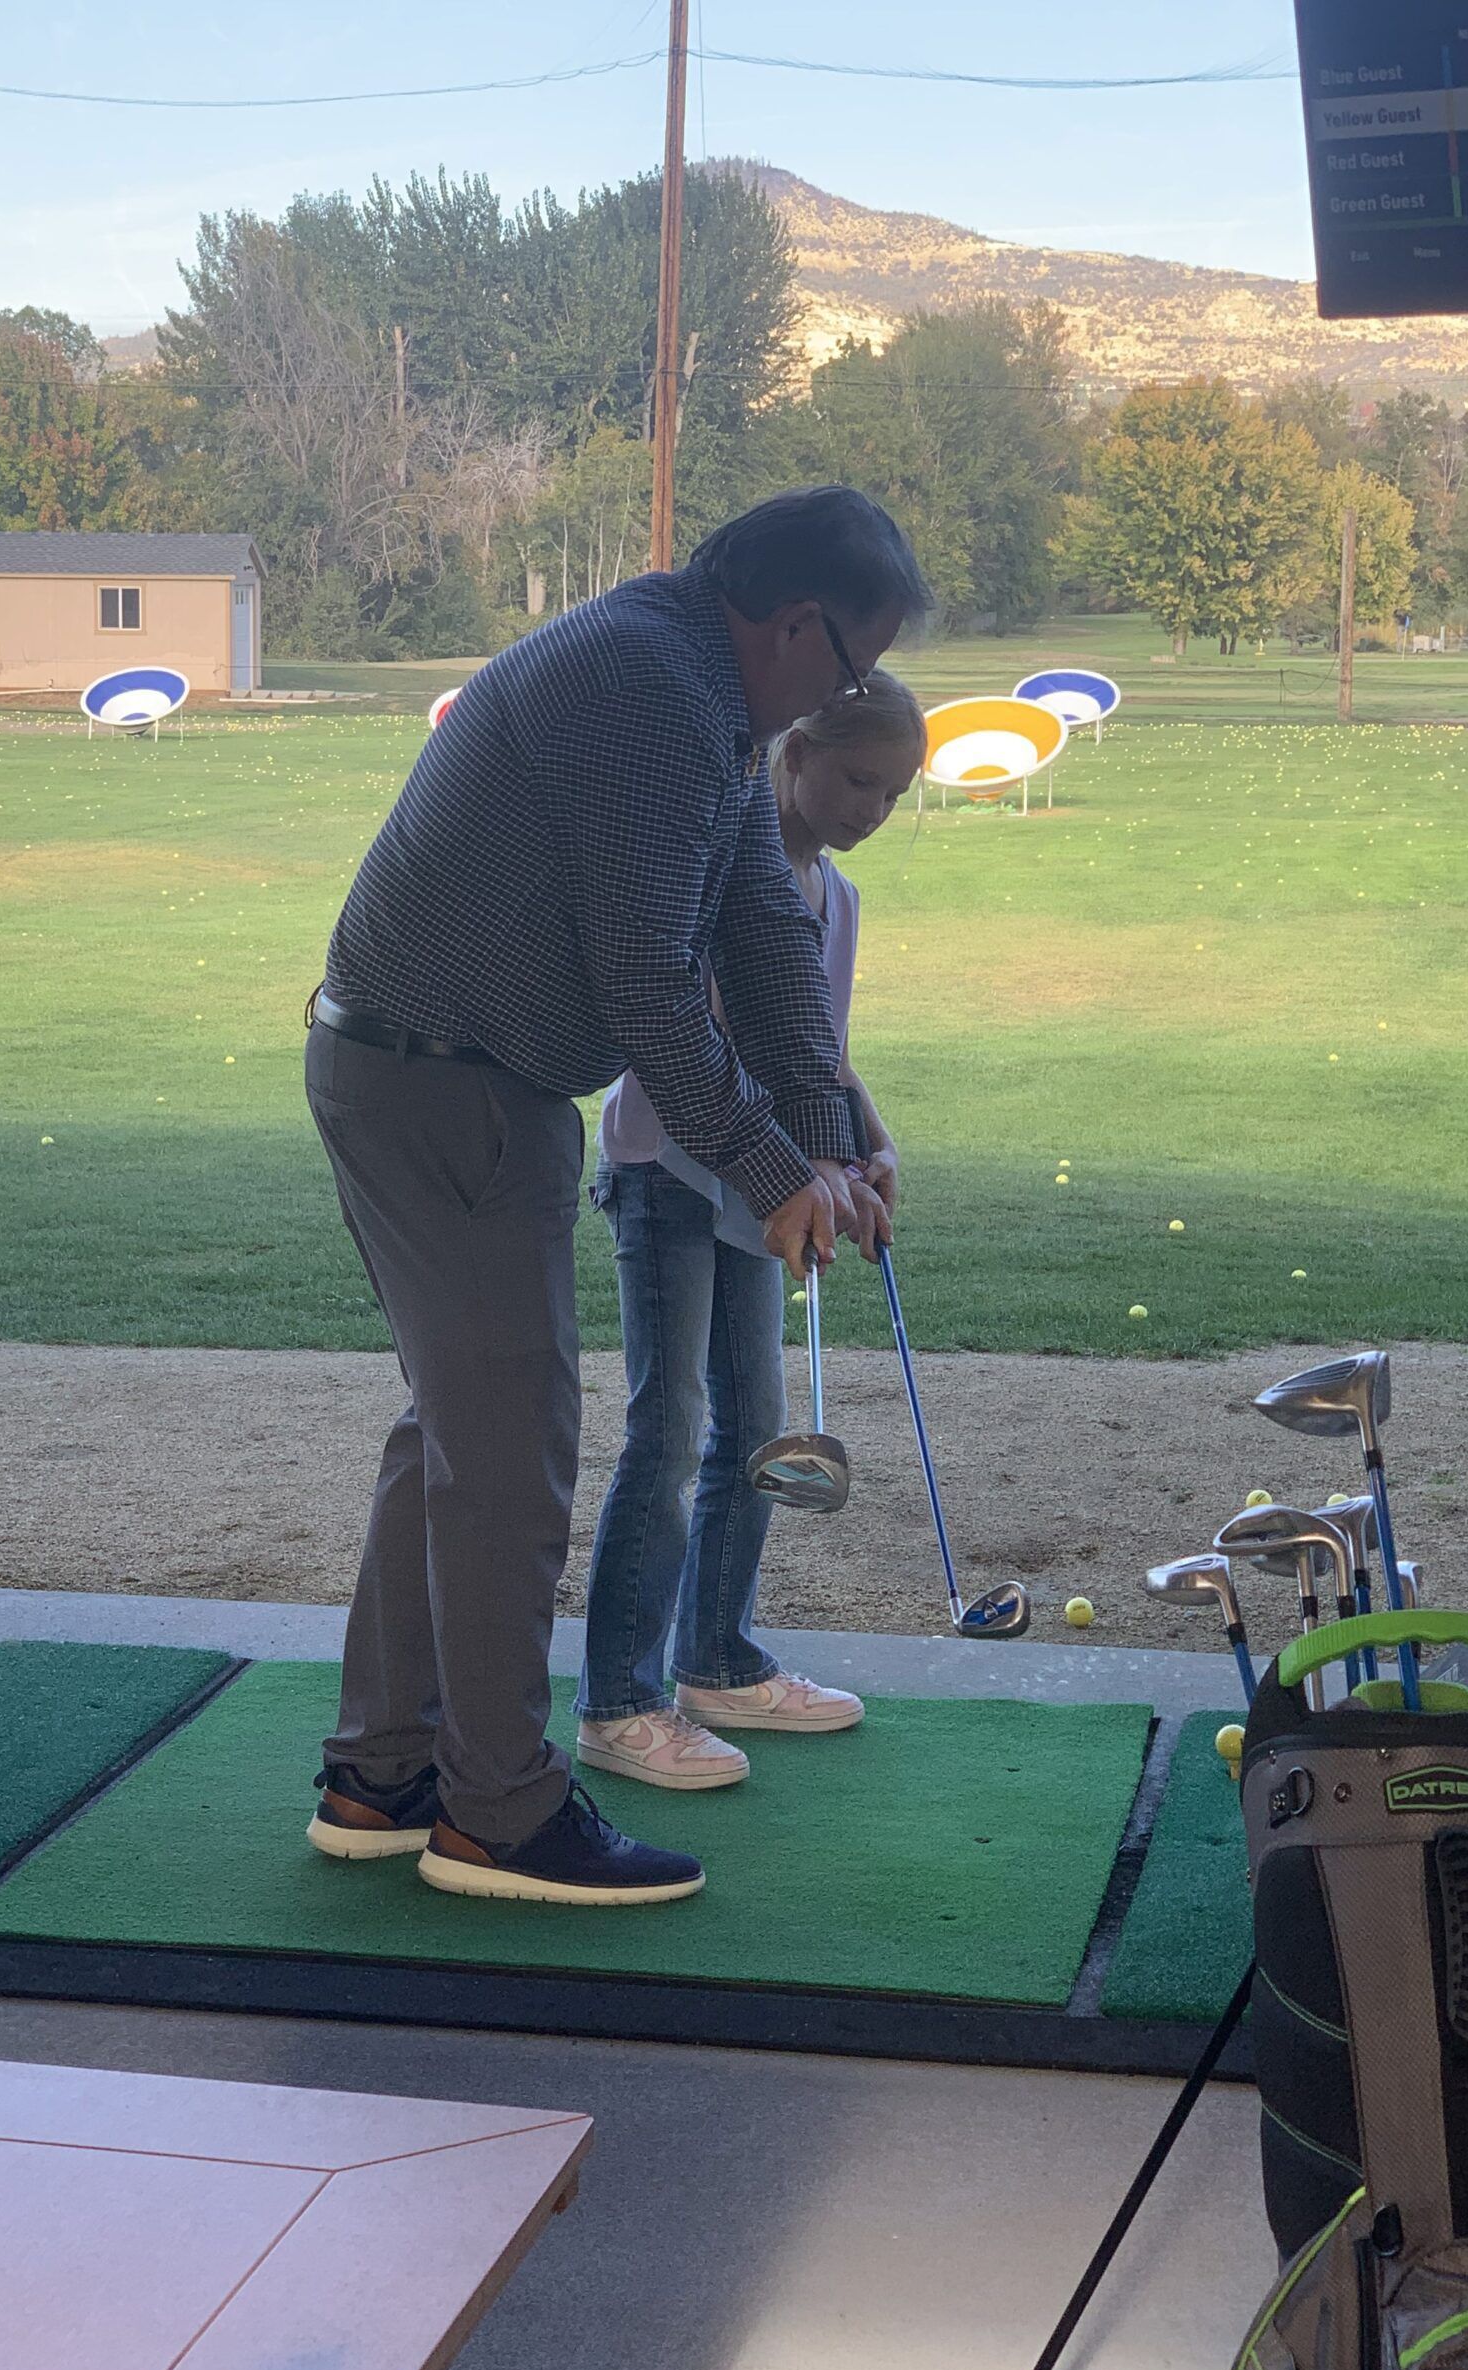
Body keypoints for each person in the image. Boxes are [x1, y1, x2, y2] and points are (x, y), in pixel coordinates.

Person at [302, 486, 932, 1909]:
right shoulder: (648, 686)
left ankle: (381, 1771)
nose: (840, 697)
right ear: (790, 623)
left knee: (458, 1435)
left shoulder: (699, 691)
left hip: (456, 1075)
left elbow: (758, 926)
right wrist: (777, 1173)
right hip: (441, 1080)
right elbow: (647, 980)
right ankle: (498, 1815)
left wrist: (834, 1128)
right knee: (513, 1449)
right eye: (843, 667)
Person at [575, 675, 928, 1790]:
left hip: (770, 1187)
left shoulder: (842, 896)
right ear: (796, 753)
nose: (872, 805)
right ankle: (619, 1702)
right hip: (672, 1172)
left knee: (753, 1427)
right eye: (858, 779)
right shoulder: (722, 867)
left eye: (894, 791)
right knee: (669, 1432)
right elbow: (706, 1040)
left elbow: (814, 1046)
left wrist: (869, 1141)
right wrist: (813, 1169)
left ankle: (719, 1662)